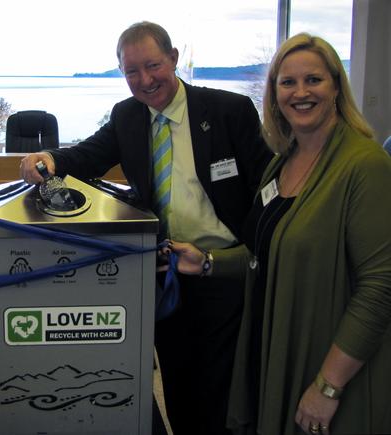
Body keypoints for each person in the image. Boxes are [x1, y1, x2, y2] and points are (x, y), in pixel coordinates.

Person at [20, 21, 272, 435]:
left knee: (223, 388)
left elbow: (265, 189)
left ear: (173, 59)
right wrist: (47, 157)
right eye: (131, 71)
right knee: (178, 380)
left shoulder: (229, 111)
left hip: (223, 271)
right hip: (164, 272)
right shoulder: (127, 116)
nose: (145, 80)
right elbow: (88, 155)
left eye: (153, 65)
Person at [165, 33, 391, 435]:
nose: (300, 93)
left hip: (323, 359)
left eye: (314, 80)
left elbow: (380, 288)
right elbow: (263, 253)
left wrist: (328, 386)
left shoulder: (364, 165)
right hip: (272, 347)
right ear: (274, 94)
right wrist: (208, 263)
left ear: (336, 86)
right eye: (287, 82)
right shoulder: (282, 164)